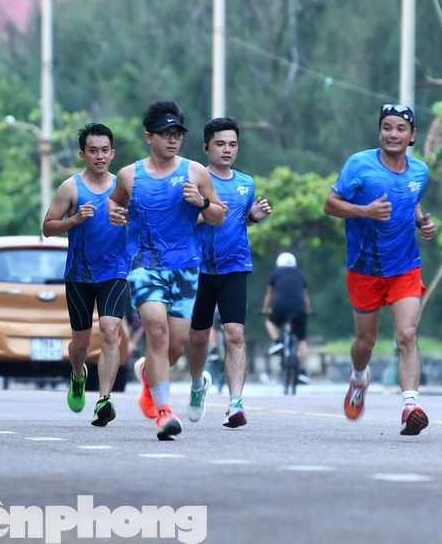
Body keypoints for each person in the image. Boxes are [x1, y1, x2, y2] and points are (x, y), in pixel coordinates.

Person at [108, 100, 225, 440]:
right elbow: (115, 201)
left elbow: (219, 215)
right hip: (145, 265)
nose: (172, 140)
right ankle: (164, 412)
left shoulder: (195, 173)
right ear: (149, 137)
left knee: (175, 346)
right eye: (165, 134)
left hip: (186, 268)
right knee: (156, 332)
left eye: (177, 134)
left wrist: (201, 203)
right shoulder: (130, 174)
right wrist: (116, 214)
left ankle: (147, 372)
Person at [323, 102, 437, 436]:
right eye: (387, 127)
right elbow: (330, 204)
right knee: (366, 342)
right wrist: (365, 211)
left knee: (407, 335)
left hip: (405, 267)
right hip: (365, 268)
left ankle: (410, 406)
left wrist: (422, 224)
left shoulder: (420, 172)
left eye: (400, 128)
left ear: (412, 135)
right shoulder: (359, 164)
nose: (393, 134)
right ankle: (359, 379)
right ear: (380, 131)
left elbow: (411, 200)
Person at [185, 117, 272, 428]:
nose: (227, 150)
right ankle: (198, 385)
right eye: (220, 144)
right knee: (198, 338)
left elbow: (238, 221)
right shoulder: (193, 180)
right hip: (198, 269)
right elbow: (182, 223)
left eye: (233, 144)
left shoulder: (246, 182)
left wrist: (253, 216)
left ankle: (235, 403)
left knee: (235, 334)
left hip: (235, 265)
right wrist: (209, 212)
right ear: (206, 146)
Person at [43, 123, 129, 427]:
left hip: (116, 270)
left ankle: (104, 399)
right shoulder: (70, 188)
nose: (100, 156)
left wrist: (127, 218)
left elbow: (144, 223)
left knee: (109, 330)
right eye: (93, 150)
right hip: (79, 274)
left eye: (105, 150)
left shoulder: (125, 186)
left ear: (113, 153)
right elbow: (47, 227)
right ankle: (78, 374)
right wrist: (75, 219)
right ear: (83, 154)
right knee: (80, 343)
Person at [263, 252, 311, 383]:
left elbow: (270, 294)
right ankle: (303, 372)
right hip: (299, 308)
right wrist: (307, 310)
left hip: (281, 307)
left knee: (270, 322)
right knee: (301, 340)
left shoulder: (275, 274)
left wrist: (266, 308)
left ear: (279, 264)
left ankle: (278, 342)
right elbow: (305, 295)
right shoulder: (300, 274)